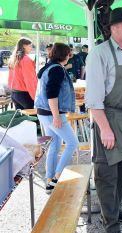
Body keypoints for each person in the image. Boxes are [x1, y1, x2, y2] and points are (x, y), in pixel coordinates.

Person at [85, 7, 122, 233]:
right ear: (113, 29)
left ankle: (115, 211)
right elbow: (93, 100)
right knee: (106, 176)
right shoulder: (99, 54)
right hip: (107, 119)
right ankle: (111, 228)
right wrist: (106, 130)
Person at [34, 43, 79, 194]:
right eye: (69, 53)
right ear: (63, 54)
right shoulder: (57, 70)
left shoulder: (49, 67)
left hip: (43, 112)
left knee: (55, 144)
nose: (69, 56)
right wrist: (56, 116)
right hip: (52, 113)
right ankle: (56, 178)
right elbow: (51, 94)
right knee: (73, 143)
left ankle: (49, 180)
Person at [8, 37, 37, 109]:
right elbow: (30, 80)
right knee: (33, 119)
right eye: (30, 46)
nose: (31, 48)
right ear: (24, 46)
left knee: (21, 119)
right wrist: (35, 97)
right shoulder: (26, 60)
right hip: (25, 94)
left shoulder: (14, 59)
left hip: (15, 93)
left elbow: (10, 78)